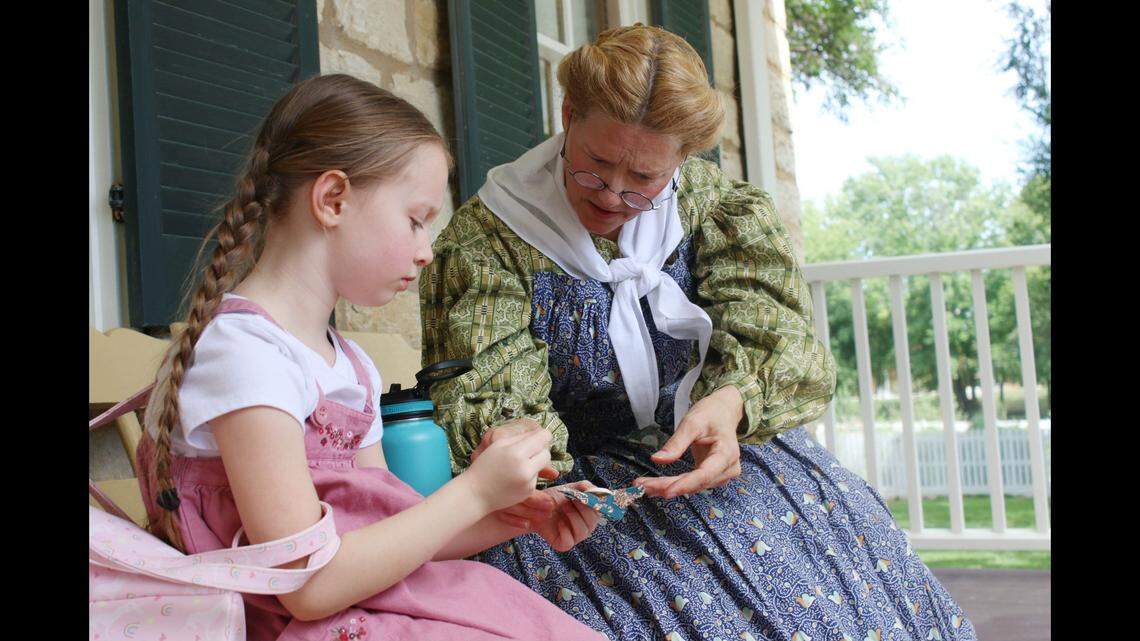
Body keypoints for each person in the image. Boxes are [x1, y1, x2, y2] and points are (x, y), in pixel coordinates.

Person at [421, 25, 976, 641]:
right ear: (568, 112)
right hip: (577, 503)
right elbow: (491, 398)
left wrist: (732, 401)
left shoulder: (716, 209)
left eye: (644, 179)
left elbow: (775, 335)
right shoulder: (490, 239)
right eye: (596, 166)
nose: (614, 196)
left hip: (718, 462)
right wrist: (547, 477)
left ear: (682, 158)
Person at [135, 73, 608, 641]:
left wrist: (508, 516)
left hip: (367, 601)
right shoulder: (245, 355)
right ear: (333, 200)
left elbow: (392, 533)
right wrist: (474, 490)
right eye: (415, 219)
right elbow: (306, 588)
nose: (428, 249)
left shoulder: (350, 365)